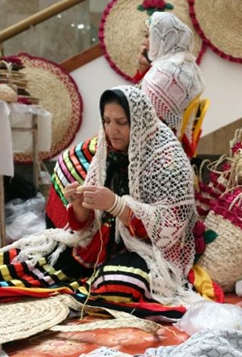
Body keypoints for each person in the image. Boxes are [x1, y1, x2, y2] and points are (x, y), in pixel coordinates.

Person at [0, 86, 202, 318]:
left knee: (120, 283)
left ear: (139, 121)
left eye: (121, 123)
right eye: (106, 121)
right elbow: (83, 228)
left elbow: (172, 227)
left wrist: (116, 205)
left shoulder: (166, 159)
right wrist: (80, 206)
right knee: (27, 260)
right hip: (98, 248)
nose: (111, 131)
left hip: (149, 253)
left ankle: (64, 296)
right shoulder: (106, 154)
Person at [47, 11, 204, 228]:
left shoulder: (166, 74)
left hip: (149, 141)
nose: (145, 42)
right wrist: (144, 68)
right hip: (160, 135)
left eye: (149, 36)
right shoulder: (180, 65)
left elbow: (140, 115)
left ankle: (74, 221)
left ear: (163, 39)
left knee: (70, 161)